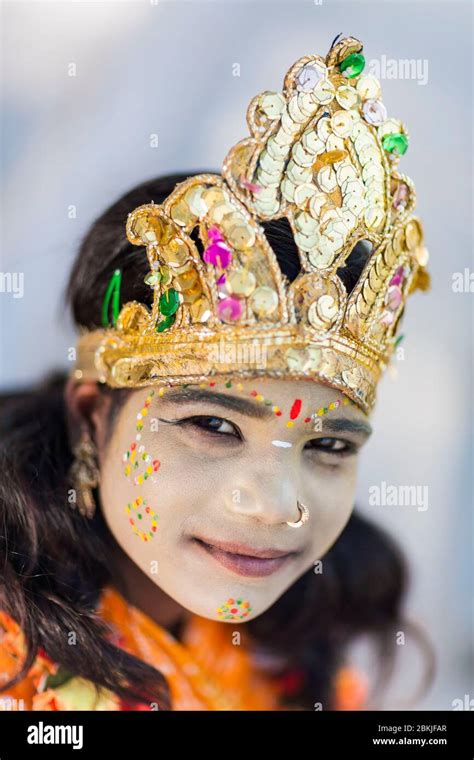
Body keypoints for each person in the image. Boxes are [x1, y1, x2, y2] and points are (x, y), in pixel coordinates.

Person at [0, 35, 432, 711]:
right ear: (91, 417)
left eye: (329, 446)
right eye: (212, 424)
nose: (276, 504)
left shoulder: (302, 660)